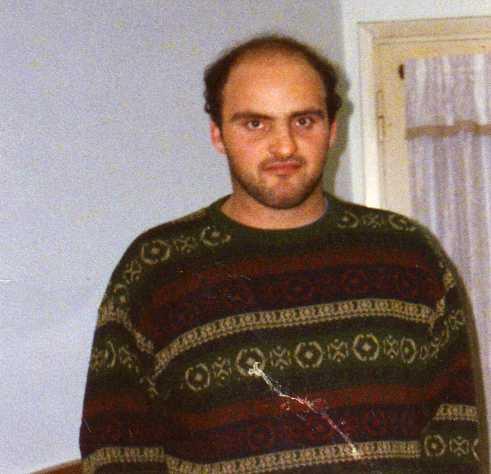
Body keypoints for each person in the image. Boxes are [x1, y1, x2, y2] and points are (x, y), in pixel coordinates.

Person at [80, 35, 487, 473]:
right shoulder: (158, 268)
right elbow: (116, 446)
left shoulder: (408, 255)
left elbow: (454, 431)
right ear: (218, 134)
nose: (285, 146)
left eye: (304, 121)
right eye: (255, 124)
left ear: (333, 129)